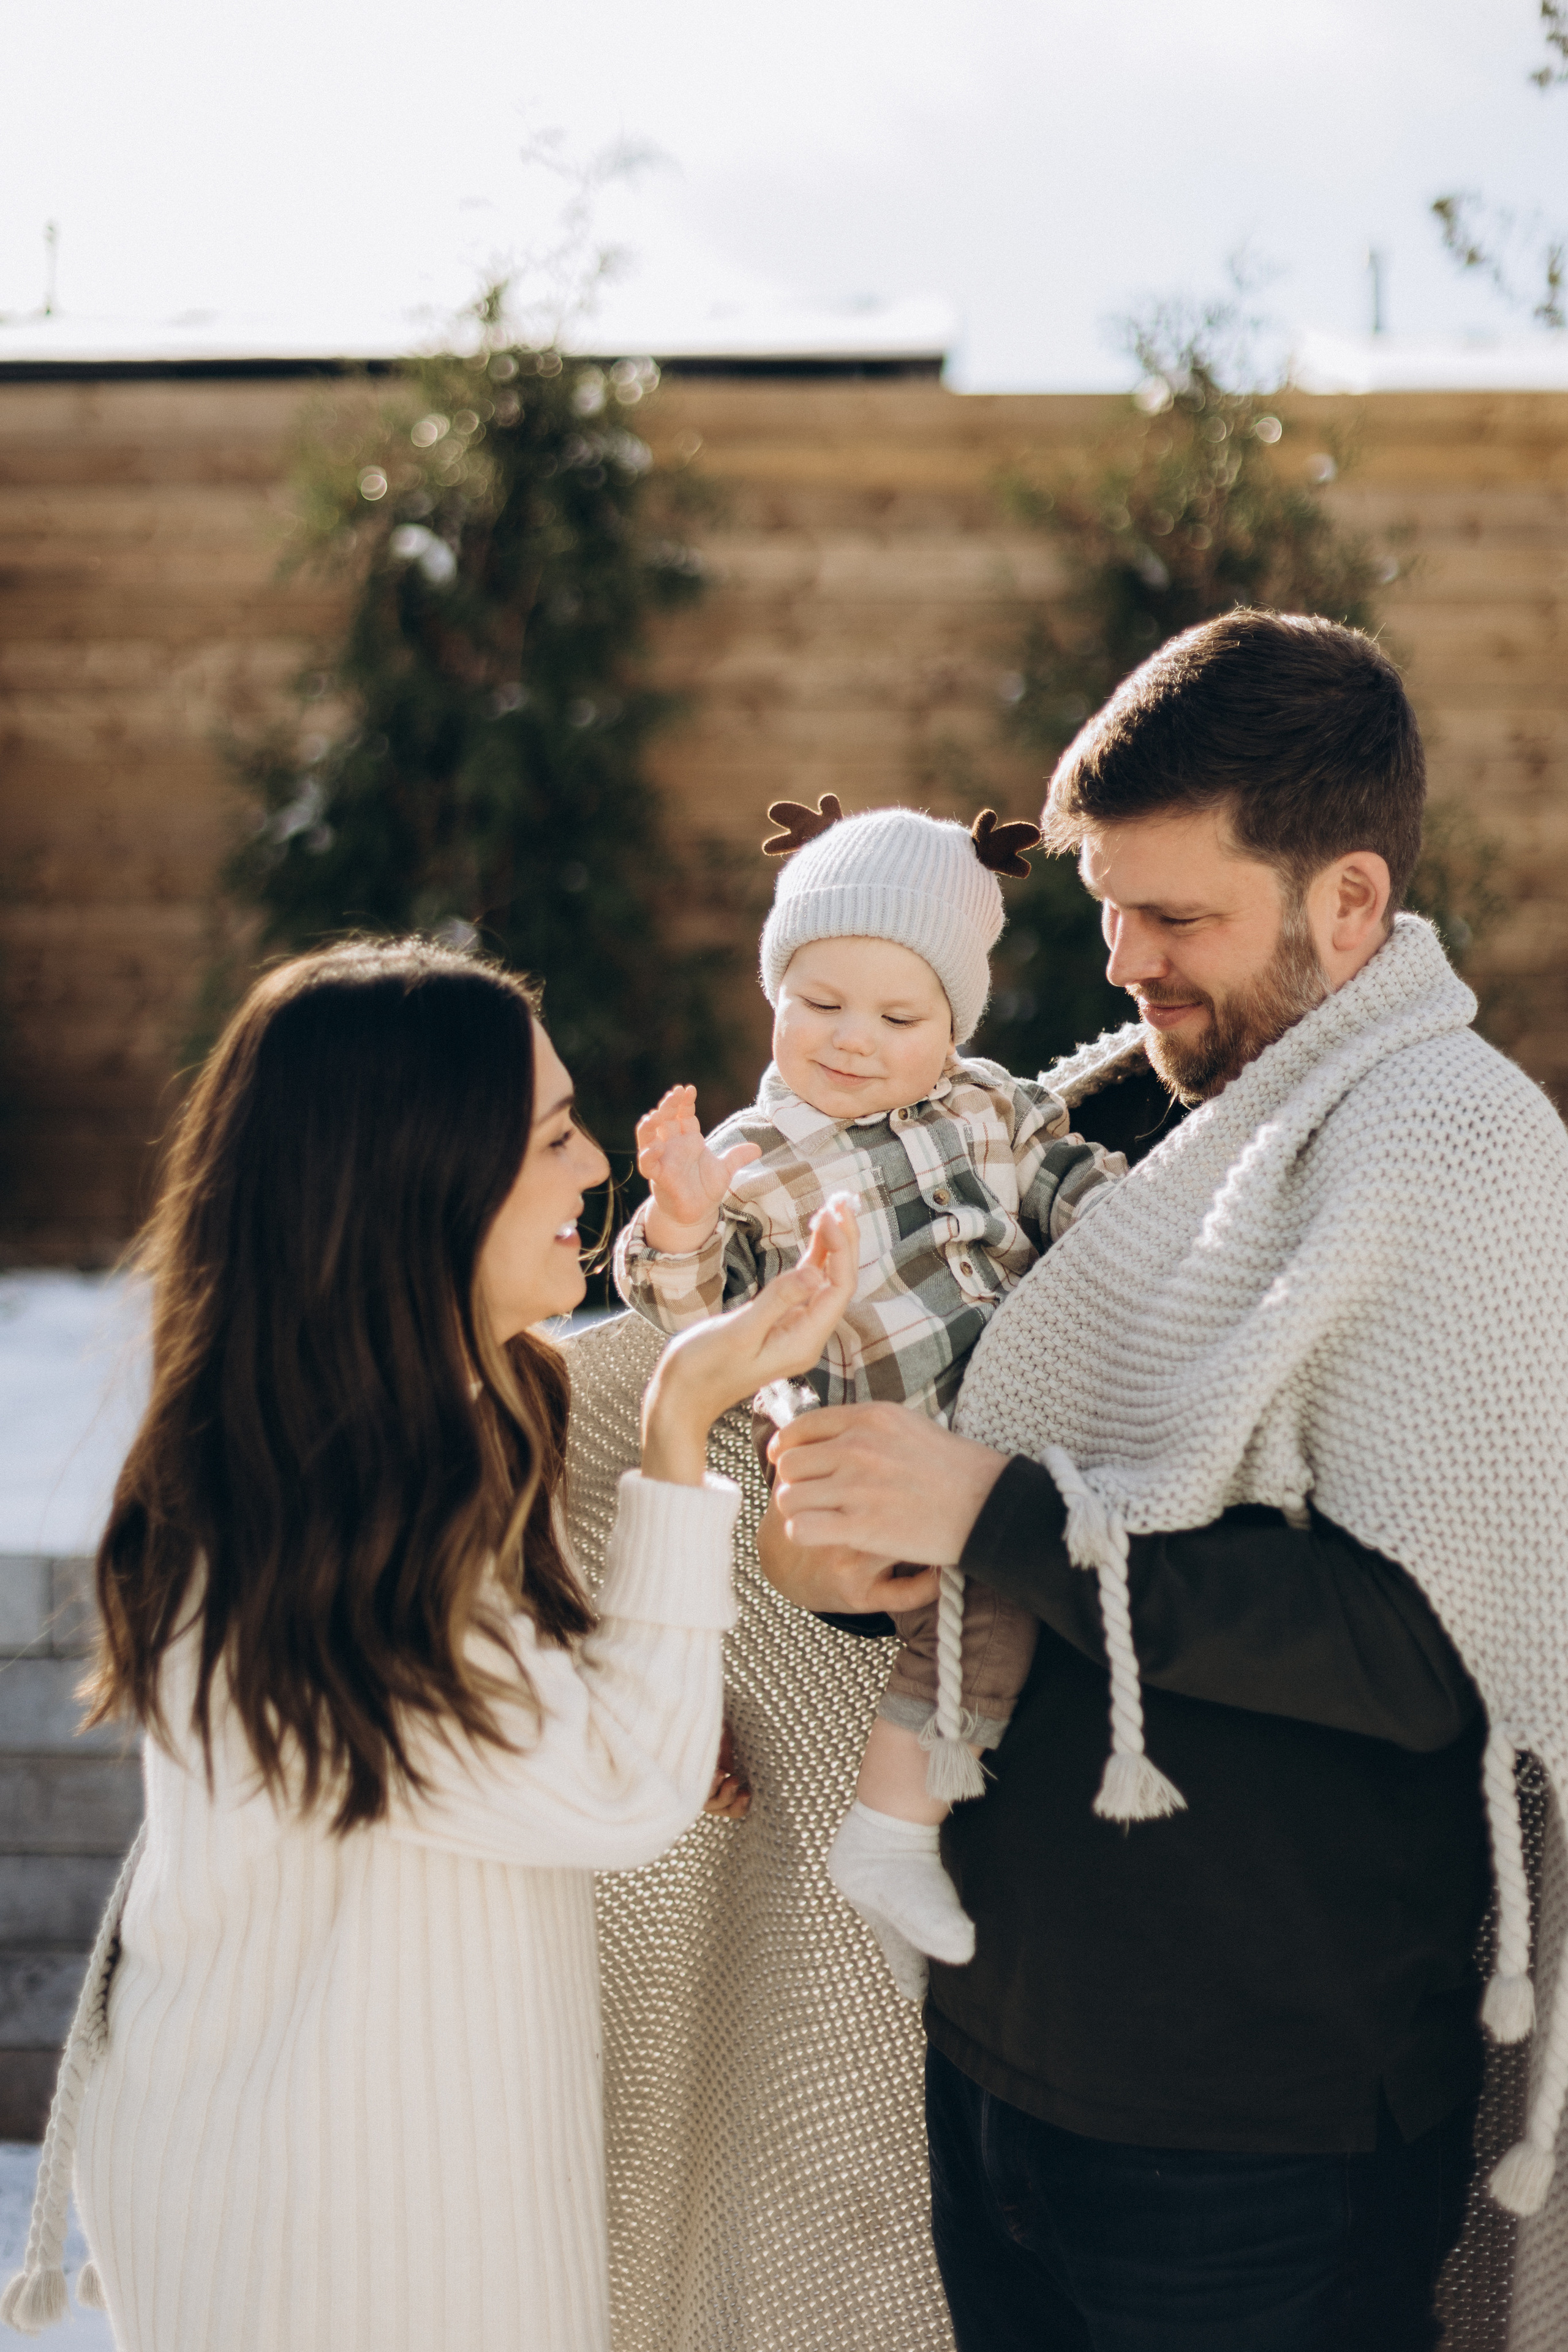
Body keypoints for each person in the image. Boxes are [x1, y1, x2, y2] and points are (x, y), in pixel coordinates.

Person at [759, 610, 1568, 2351]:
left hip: (1257, 2144)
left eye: (1177, 917)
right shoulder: (1130, 1138)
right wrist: (859, 1560)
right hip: (1005, 2066)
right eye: (1109, 908)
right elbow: (1003, 1507)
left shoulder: (1459, 1155)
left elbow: (1428, 1648)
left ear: (1347, 900)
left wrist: (984, 1507)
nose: (1125, 962)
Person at [0, 938, 861, 2352]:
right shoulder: (343, 1515)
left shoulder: (370, 1445)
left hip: (380, 2174)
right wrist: (676, 1427)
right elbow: (617, 1791)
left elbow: (523, 1740)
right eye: (552, 1136)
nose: (591, 1169)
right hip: (333, 2227)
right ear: (422, 1182)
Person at [613, 799, 1121, 1996]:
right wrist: (681, 1220)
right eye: (817, 1003)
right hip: (880, 1451)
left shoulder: (990, 1107)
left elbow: (1083, 1192)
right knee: (977, 1623)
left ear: (954, 1024)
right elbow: (688, 1313)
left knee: (1041, 1618)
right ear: (772, 995)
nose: (851, 1041)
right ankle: (890, 1837)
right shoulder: (751, 1158)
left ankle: (945, 1855)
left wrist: (1144, 1246)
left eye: (898, 1019)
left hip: (1021, 1426)